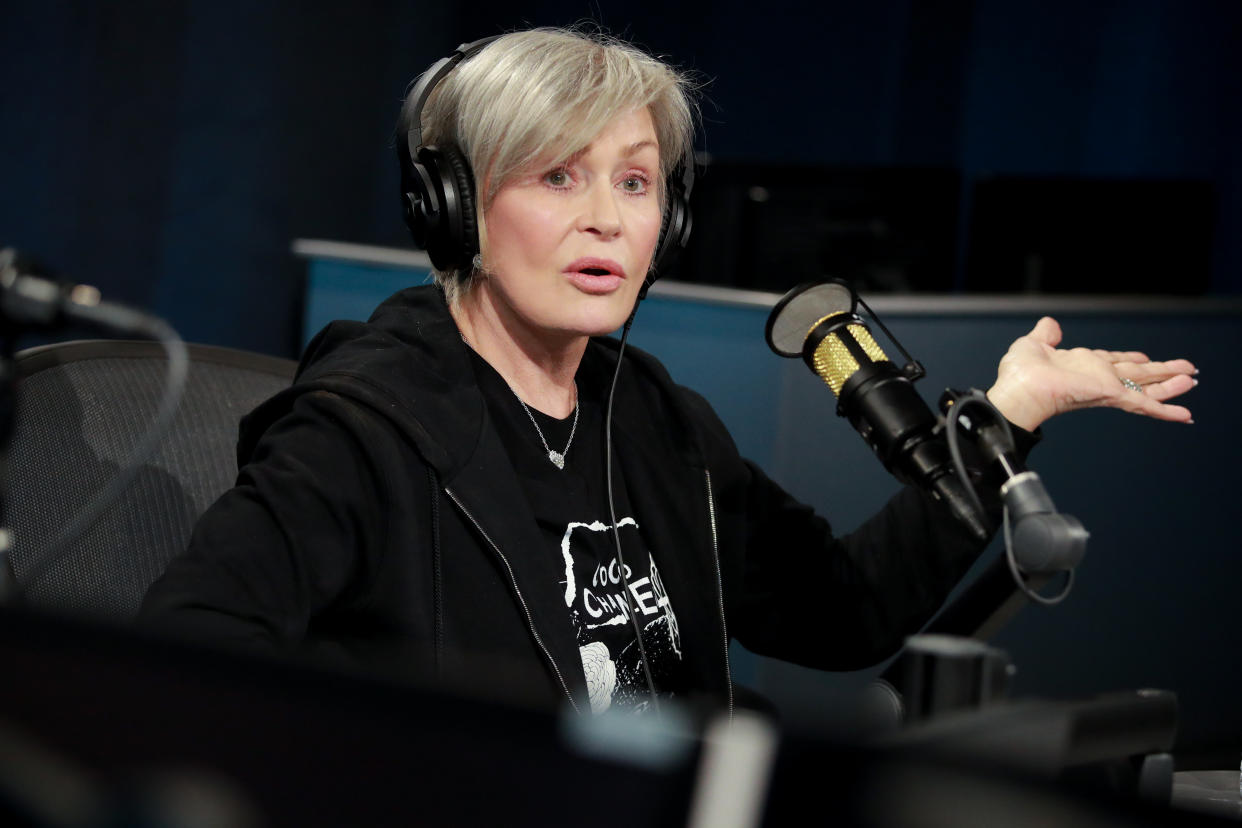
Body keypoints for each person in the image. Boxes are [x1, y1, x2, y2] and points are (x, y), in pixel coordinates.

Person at [139, 28, 1197, 716]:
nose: (607, 215)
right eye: (559, 176)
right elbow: (187, 659)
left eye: (637, 182)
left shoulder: (653, 421)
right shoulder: (364, 425)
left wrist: (1013, 411)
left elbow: (842, 614)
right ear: (453, 207)